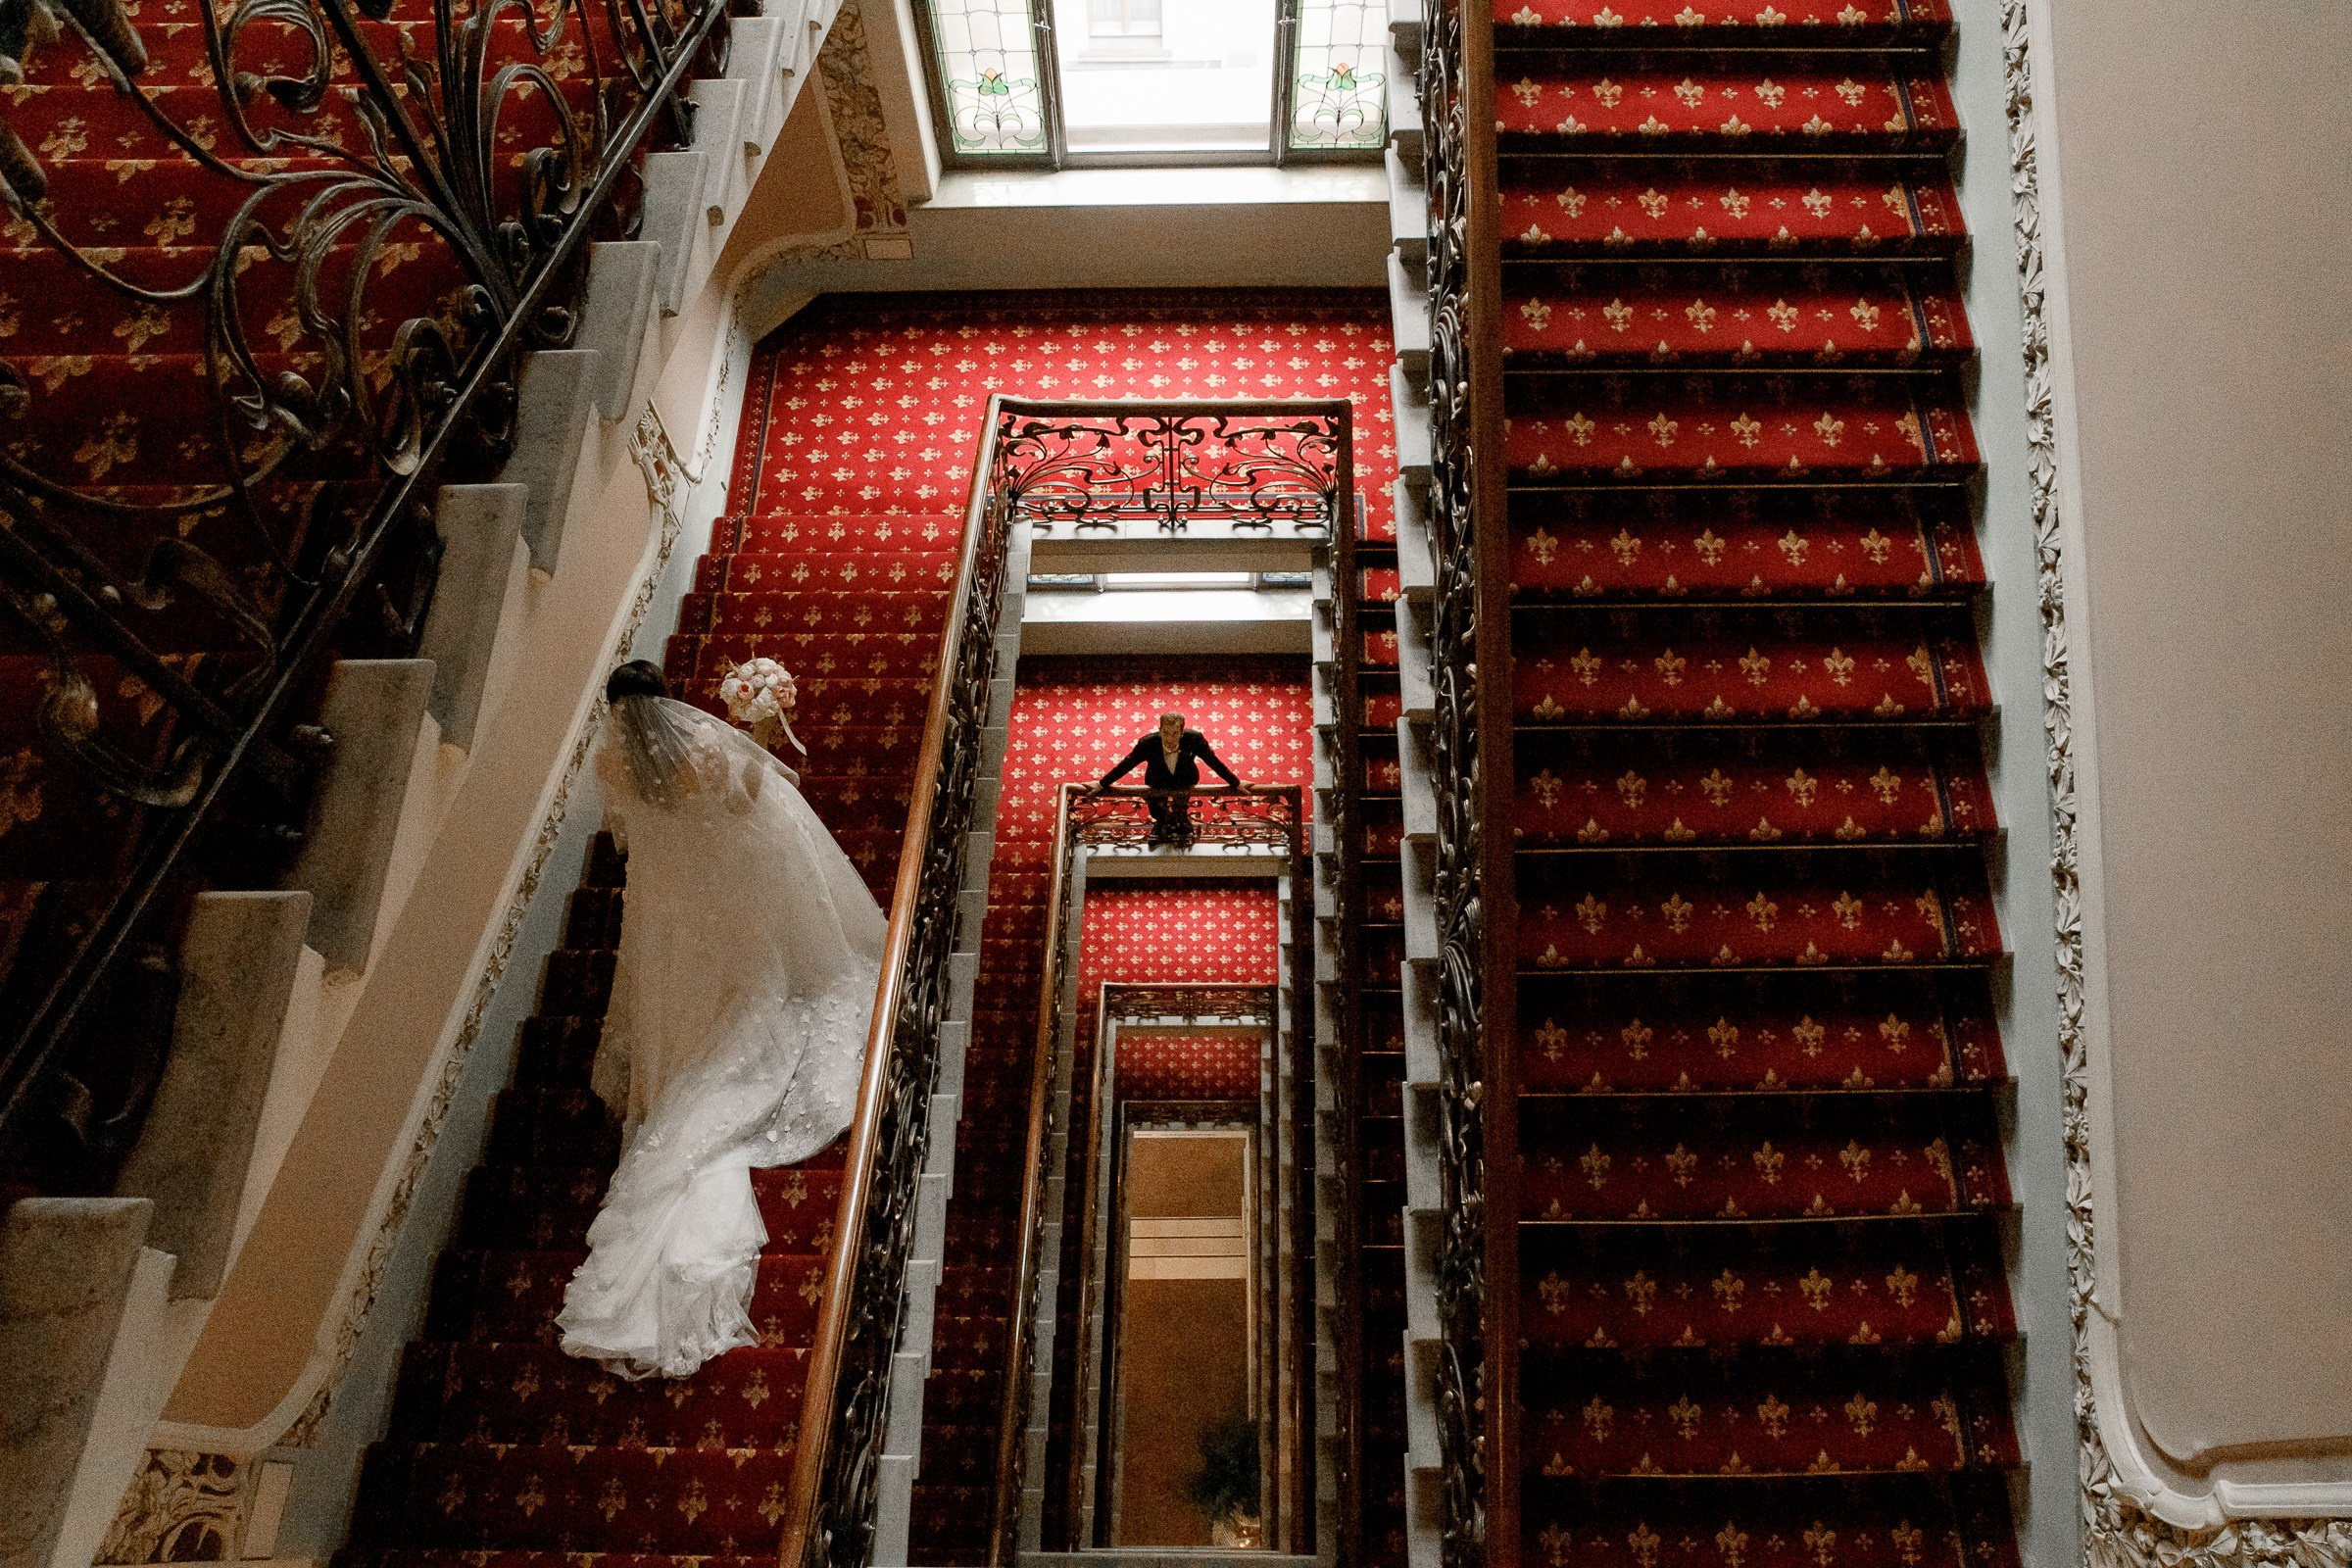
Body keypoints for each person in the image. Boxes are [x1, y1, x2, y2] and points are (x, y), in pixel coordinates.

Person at [557, 661, 886, 1379]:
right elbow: (745, 803)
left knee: (687, 1015)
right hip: (725, 901)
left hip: (670, 913)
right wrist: (759, 736)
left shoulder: (612, 758)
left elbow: (628, 836)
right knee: (760, 1001)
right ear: (664, 698)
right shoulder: (703, 745)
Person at [1094, 710, 1243, 846]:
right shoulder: (1147, 743)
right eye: (1166, 733)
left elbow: (1213, 762)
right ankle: (1163, 826)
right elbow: (1126, 764)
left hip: (1184, 779)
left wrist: (1236, 783)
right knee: (1157, 808)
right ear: (1160, 731)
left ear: (1182, 733)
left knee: (1180, 806)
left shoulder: (1194, 739)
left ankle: (1183, 828)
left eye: (1174, 733)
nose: (1170, 738)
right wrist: (1102, 784)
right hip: (1157, 780)